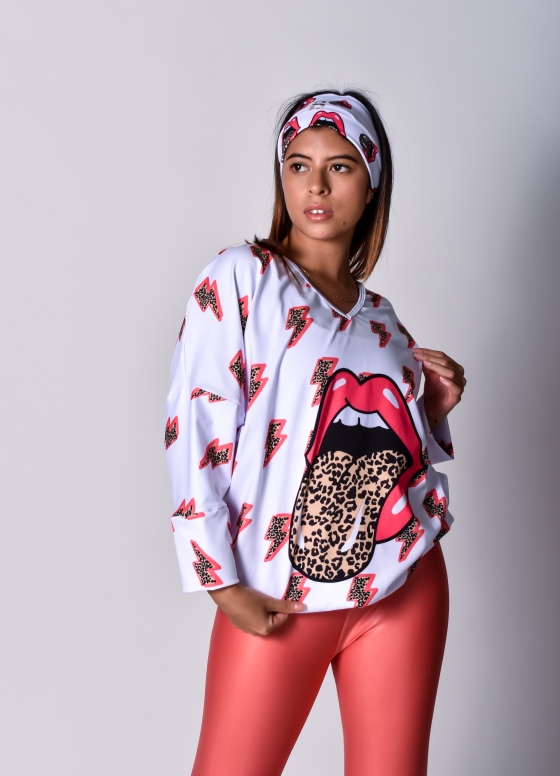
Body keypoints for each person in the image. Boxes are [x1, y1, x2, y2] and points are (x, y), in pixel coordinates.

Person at [164, 88, 466, 776]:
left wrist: (432, 409)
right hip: (278, 590)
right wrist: (218, 579)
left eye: (340, 166)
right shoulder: (243, 277)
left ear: (372, 182)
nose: (316, 186)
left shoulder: (383, 319)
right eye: (299, 166)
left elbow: (384, 457)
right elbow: (195, 422)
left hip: (404, 582)